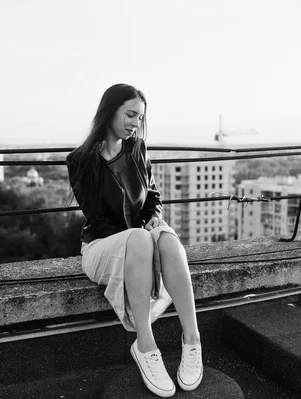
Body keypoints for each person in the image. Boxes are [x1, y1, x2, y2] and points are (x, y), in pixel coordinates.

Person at [66, 83, 203, 397]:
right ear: (110, 111)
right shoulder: (81, 159)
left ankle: (193, 340)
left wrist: (152, 221)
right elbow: (98, 219)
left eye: (140, 118)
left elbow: (153, 196)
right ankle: (145, 345)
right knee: (144, 239)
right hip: (102, 246)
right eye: (130, 114)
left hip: (140, 237)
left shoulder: (137, 148)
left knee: (167, 239)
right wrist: (142, 237)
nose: (135, 123)